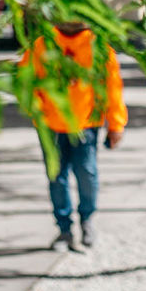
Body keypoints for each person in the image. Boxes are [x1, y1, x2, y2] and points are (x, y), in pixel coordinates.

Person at [20, 22, 128, 252]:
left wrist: (116, 123)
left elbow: (112, 86)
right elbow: (26, 80)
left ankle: (87, 220)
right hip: (51, 124)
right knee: (56, 177)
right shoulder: (41, 45)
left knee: (86, 173)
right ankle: (64, 229)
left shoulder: (99, 48)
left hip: (86, 123)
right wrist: (37, 110)